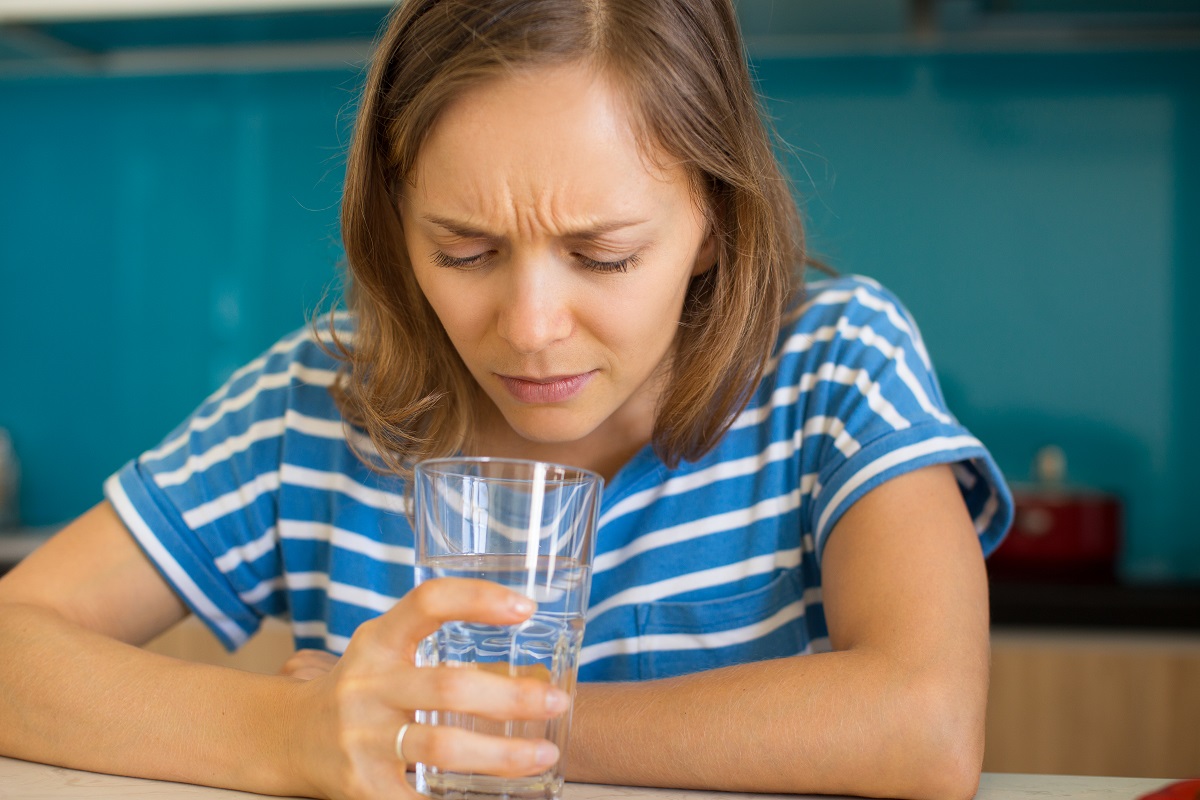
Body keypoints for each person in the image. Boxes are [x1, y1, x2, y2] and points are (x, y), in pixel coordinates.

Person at [0, 1, 1012, 799]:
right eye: (466, 250)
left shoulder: (833, 365)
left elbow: (921, 722)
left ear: (714, 214)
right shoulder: (314, 405)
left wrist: (467, 724)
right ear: (394, 220)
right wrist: (292, 731)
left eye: (603, 254)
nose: (530, 326)